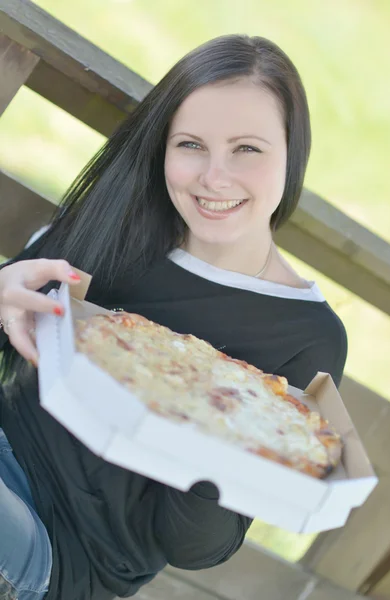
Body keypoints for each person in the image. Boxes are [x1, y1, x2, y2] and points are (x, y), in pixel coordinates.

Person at [0, 34, 347, 600]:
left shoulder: (306, 336)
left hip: (59, 553)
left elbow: (193, 549)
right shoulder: (122, 220)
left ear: (292, 154)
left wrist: (223, 449)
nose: (215, 177)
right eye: (191, 144)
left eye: (248, 149)